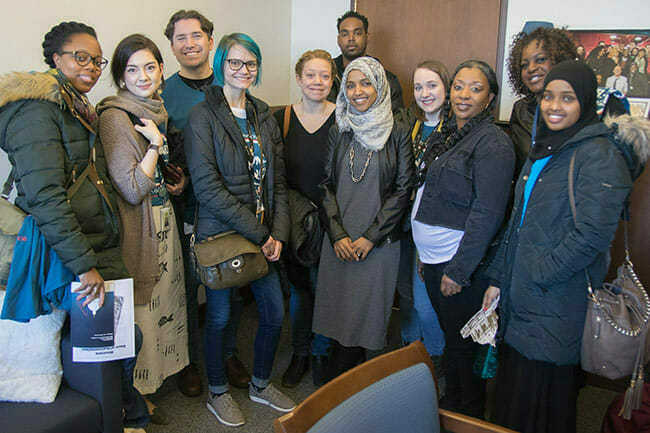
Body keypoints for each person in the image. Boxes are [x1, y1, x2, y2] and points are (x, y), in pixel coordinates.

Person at [484, 60, 648, 433]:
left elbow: (591, 236)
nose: (554, 106)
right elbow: (518, 221)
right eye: (548, 97)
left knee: (541, 404)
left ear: (586, 103)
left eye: (568, 99)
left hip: (555, 303)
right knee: (515, 397)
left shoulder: (599, 154)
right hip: (522, 298)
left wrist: (537, 274)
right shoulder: (546, 148)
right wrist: (498, 278)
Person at [0, 21, 148, 432]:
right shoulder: (35, 110)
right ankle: (122, 418)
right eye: (80, 57)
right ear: (55, 59)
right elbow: (46, 196)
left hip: (95, 241)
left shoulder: (75, 106)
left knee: (119, 339)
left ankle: (128, 414)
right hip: (65, 250)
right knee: (107, 342)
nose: (92, 67)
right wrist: (84, 265)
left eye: (97, 60)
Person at [184, 32, 295, 427]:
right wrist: (262, 236)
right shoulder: (203, 115)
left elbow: (278, 181)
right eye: (235, 62)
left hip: (265, 235)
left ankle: (261, 385)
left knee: (274, 313)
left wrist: (277, 233)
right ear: (220, 66)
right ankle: (217, 392)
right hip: (222, 234)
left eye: (251, 63)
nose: (243, 70)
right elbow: (208, 188)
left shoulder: (264, 114)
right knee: (218, 316)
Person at [413, 60, 515, 418]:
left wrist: (458, 271)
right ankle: (451, 409)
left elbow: (488, 214)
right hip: (435, 262)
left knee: (464, 351)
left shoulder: (493, 144)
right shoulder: (451, 135)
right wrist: (426, 257)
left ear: (490, 99)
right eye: (458, 86)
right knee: (454, 345)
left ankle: (467, 416)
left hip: (462, 268)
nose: (463, 95)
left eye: (475, 88)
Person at [97, 35, 190, 420]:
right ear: (120, 77)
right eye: (131, 69)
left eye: (150, 67)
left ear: (162, 69)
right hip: (140, 230)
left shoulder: (155, 110)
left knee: (163, 307)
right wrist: (153, 145)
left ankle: (153, 387)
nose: (142, 76)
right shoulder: (115, 117)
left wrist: (177, 183)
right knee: (141, 313)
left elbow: (153, 180)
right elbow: (133, 188)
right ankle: (136, 399)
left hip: (163, 223)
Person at [161, 10, 250, 396]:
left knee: (226, 284)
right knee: (185, 286)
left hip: (228, 206)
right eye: (180, 38)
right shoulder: (162, 93)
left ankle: (227, 353)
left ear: (211, 42)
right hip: (184, 206)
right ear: (172, 46)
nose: (190, 43)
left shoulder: (232, 81)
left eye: (196, 35)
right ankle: (187, 362)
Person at [312, 57, 414, 379]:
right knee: (339, 309)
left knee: (367, 314)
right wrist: (338, 234)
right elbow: (326, 184)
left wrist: (371, 236)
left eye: (366, 83)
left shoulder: (398, 132)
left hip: (378, 241)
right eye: (351, 84)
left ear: (380, 86)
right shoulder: (339, 128)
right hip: (339, 237)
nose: (358, 91)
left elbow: (402, 189)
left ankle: (346, 382)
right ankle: (341, 376)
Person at [272, 49, 336, 388]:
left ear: (332, 80)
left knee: (326, 289)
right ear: (299, 79)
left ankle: (321, 354)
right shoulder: (281, 118)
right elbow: (276, 176)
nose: (317, 82)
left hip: (331, 221)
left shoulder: (344, 118)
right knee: (299, 291)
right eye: (311, 75)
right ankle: (299, 353)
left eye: (324, 75)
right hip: (295, 222)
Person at [394, 60, 449, 376]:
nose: (425, 93)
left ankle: (436, 358)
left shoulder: (456, 130)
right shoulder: (408, 126)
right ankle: (408, 357)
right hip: (403, 226)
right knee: (405, 297)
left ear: (446, 87)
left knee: (425, 302)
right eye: (418, 87)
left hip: (433, 231)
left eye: (432, 85)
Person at [506, 25, 576, 174]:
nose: (531, 68)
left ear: (559, 60)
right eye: (524, 65)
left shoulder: (579, 107)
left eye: (540, 59)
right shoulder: (520, 110)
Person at [326, 10, 404, 113]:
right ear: (338, 39)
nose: (351, 38)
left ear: (367, 37)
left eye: (357, 33)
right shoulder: (326, 76)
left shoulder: (387, 79)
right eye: (345, 34)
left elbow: (397, 121)